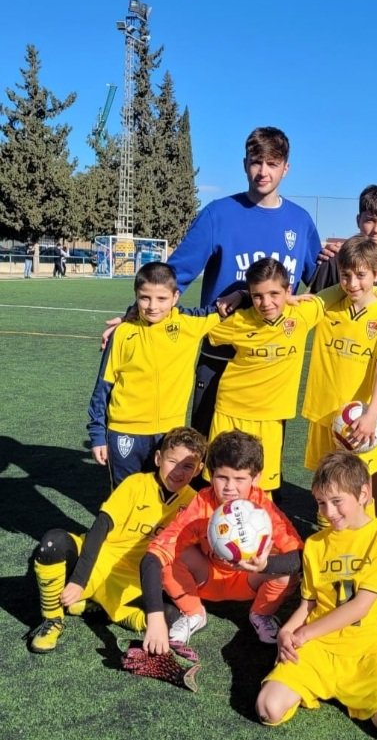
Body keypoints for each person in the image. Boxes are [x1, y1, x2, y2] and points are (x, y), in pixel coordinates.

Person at [103, 127, 321, 437]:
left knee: (261, 457)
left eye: (272, 164)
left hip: (271, 365)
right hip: (220, 354)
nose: (263, 172)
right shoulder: (218, 214)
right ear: (245, 164)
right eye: (256, 162)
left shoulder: (300, 222)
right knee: (204, 450)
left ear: (286, 168)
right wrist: (133, 313)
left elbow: (320, 283)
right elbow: (174, 275)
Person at [256, 451, 377, 739]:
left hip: (367, 649)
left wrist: (304, 634)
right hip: (319, 647)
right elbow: (308, 603)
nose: (328, 512)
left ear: (363, 494)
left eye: (336, 501)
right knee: (268, 709)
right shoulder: (316, 544)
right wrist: (287, 631)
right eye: (321, 503)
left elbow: (360, 606)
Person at [27, 427, 205, 653]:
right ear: (158, 459)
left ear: (198, 470)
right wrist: (79, 579)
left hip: (133, 580)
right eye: (172, 461)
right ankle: (52, 619)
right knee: (53, 544)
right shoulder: (135, 484)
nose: (178, 471)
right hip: (98, 560)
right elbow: (99, 529)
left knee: (172, 618)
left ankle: (100, 605)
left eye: (187, 466)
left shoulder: (193, 503)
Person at [142, 430, 303, 650]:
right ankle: (193, 613)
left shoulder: (263, 509)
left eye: (240, 479)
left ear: (256, 478)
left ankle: (261, 614)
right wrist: (155, 619)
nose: (230, 487)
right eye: (222, 477)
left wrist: (265, 565)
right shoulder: (201, 504)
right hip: (207, 581)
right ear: (210, 474)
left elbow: (300, 558)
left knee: (286, 573)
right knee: (169, 556)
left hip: (250, 581)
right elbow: (152, 557)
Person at [207, 257, 336, 495]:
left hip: (271, 418)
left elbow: (339, 291)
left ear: (288, 290)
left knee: (262, 490)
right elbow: (197, 326)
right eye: (257, 296)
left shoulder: (302, 314)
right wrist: (241, 295)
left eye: (274, 294)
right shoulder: (238, 320)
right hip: (230, 412)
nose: (266, 303)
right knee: (222, 487)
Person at [309, 184, 377, 475]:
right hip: (338, 375)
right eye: (369, 220)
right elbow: (316, 303)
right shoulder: (336, 258)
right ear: (358, 220)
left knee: (372, 444)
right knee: (331, 457)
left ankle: (371, 505)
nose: (376, 229)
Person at [88, 262, 221, 488]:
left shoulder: (189, 324)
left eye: (161, 299)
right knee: (126, 495)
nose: (152, 306)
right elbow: (103, 387)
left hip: (169, 431)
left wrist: (241, 294)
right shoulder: (122, 333)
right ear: (135, 297)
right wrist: (98, 434)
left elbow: (228, 309)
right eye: (144, 298)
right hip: (124, 431)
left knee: (166, 494)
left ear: (175, 297)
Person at [302, 237, 377, 514]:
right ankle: (327, 534)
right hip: (324, 415)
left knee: (360, 493)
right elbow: (298, 307)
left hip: (359, 423)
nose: (352, 283)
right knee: (326, 488)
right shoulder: (328, 306)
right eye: (346, 275)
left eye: (361, 275)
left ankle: (363, 538)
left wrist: (372, 415)